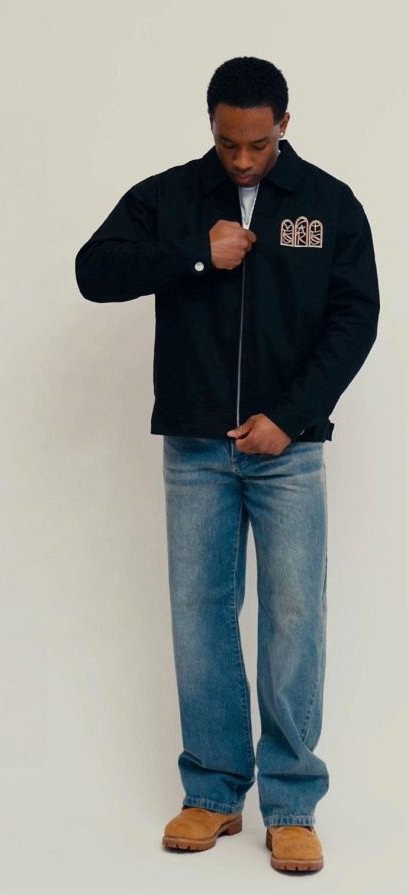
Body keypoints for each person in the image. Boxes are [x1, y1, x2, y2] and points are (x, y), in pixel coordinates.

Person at [75, 56, 380, 873]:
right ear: (211, 126)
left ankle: (291, 802)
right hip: (196, 448)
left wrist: (291, 415)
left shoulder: (329, 205)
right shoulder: (171, 197)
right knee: (201, 614)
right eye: (226, 143)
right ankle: (212, 791)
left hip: (290, 452)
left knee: (294, 617)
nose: (241, 159)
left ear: (283, 124)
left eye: (256, 143)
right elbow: (93, 270)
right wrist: (195, 254)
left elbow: (356, 318)